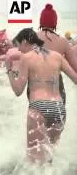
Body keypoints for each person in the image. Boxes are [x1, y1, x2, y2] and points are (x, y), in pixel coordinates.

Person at [6, 28, 77, 164]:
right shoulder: (57, 56)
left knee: (35, 161)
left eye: (19, 46)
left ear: (25, 41)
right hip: (58, 108)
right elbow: (75, 79)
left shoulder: (26, 58)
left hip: (38, 108)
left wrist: (9, 69)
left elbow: (18, 90)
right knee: (49, 156)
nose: (19, 50)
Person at [35, 3, 77, 105]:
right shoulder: (63, 42)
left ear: (41, 21)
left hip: (36, 86)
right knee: (58, 119)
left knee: (37, 118)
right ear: (55, 22)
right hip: (56, 86)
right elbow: (75, 67)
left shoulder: (31, 39)